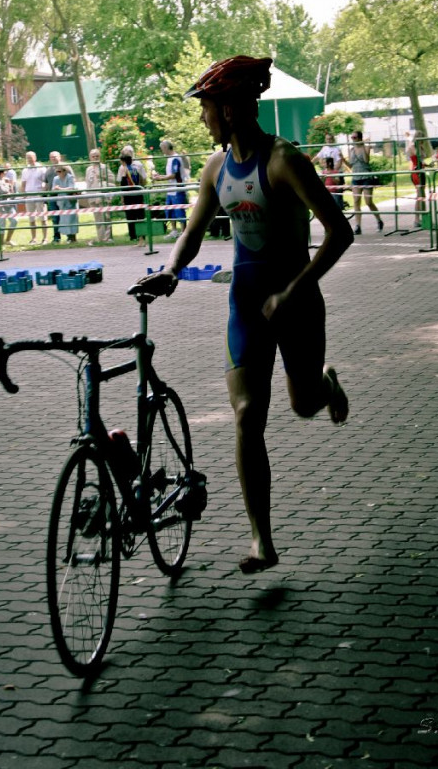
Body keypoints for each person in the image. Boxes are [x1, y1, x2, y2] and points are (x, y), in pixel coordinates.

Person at [139, 55, 353, 574]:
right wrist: (170, 269)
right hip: (245, 306)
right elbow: (192, 231)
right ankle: (261, 539)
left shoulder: (283, 160)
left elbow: (339, 232)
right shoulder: (215, 168)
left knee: (302, 406)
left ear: (231, 109)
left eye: (206, 107)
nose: (202, 118)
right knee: (245, 415)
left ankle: (325, 386)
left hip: (296, 304)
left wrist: (295, 291)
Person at [346, 131, 383, 234]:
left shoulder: (366, 148)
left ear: (359, 138)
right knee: (356, 201)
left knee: (368, 202)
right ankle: (358, 226)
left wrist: (362, 146)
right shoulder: (351, 150)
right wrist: (342, 159)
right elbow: (350, 165)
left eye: (355, 137)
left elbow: (366, 160)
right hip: (356, 178)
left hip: (366, 177)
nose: (353, 139)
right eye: (352, 137)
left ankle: (379, 220)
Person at [153, 140, 188, 239]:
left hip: (177, 188)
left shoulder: (175, 158)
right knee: (170, 210)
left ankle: (184, 231)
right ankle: (174, 231)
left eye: (162, 148)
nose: (161, 151)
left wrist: (161, 178)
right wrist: (161, 176)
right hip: (171, 189)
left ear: (166, 148)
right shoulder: (169, 159)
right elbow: (170, 175)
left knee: (179, 210)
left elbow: (174, 175)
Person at [85, 148, 115, 243]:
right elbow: (88, 184)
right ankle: (101, 237)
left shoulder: (104, 167)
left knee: (106, 217)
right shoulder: (88, 169)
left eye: (97, 156)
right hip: (93, 197)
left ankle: (108, 237)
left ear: (100, 157)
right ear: (90, 158)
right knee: (98, 218)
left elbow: (112, 180)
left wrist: (102, 177)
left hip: (103, 196)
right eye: (93, 157)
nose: (95, 158)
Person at [118, 149, 146, 242]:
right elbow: (142, 180)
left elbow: (122, 184)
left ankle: (134, 236)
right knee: (140, 216)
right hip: (138, 193)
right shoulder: (135, 169)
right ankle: (141, 237)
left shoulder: (124, 170)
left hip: (129, 195)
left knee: (131, 216)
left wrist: (122, 197)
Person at [312, 131, 346, 210]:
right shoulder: (324, 148)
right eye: (327, 139)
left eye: (330, 139)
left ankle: (340, 207)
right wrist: (309, 164)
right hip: (328, 172)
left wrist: (333, 172)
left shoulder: (337, 149)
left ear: (333, 139)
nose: (329, 141)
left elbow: (339, 162)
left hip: (335, 172)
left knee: (337, 193)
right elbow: (317, 157)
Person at [20, 151, 48, 245]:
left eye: (31, 157)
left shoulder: (41, 168)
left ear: (35, 158)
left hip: (39, 194)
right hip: (29, 195)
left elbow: (45, 181)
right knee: (31, 218)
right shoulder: (25, 170)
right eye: (27, 157)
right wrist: (23, 194)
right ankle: (34, 239)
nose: (29, 159)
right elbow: (23, 184)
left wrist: (43, 192)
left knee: (43, 217)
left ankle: (45, 238)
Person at [0, 167, 17, 246]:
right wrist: (9, 185)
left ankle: (8, 240)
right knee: (2, 224)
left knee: (14, 221)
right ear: (1, 173)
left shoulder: (3, 180)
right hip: (0, 206)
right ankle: (1, 244)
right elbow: (5, 192)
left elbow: (10, 191)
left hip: (8, 204)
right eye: (5, 172)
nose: (6, 174)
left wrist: (8, 185)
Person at [51, 163, 79, 242]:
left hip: (70, 202)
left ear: (65, 171)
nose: (58, 173)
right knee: (64, 220)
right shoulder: (55, 179)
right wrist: (56, 189)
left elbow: (71, 188)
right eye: (57, 172)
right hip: (61, 202)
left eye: (59, 171)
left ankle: (73, 237)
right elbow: (53, 189)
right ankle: (68, 237)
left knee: (71, 219)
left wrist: (59, 188)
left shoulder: (70, 177)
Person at [405, 130, 427, 228]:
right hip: (416, 172)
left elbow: (422, 159)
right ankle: (417, 219)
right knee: (419, 196)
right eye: (421, 139)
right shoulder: (413, 146)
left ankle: (424, 218)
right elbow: (416, 156)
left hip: (421, 170)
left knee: (423, 195)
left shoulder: (420, 147)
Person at [45, 151, 62, 242]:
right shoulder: (48, 170)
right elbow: (46, 183)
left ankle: (70, 237)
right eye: (51, 157)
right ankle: (56, 237)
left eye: (55, 157)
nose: (53, 158)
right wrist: (44, 196)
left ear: (59, 157)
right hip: (52, 197)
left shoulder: (65, 167)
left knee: (66, 217)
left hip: (63, 196)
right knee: (55, 218)